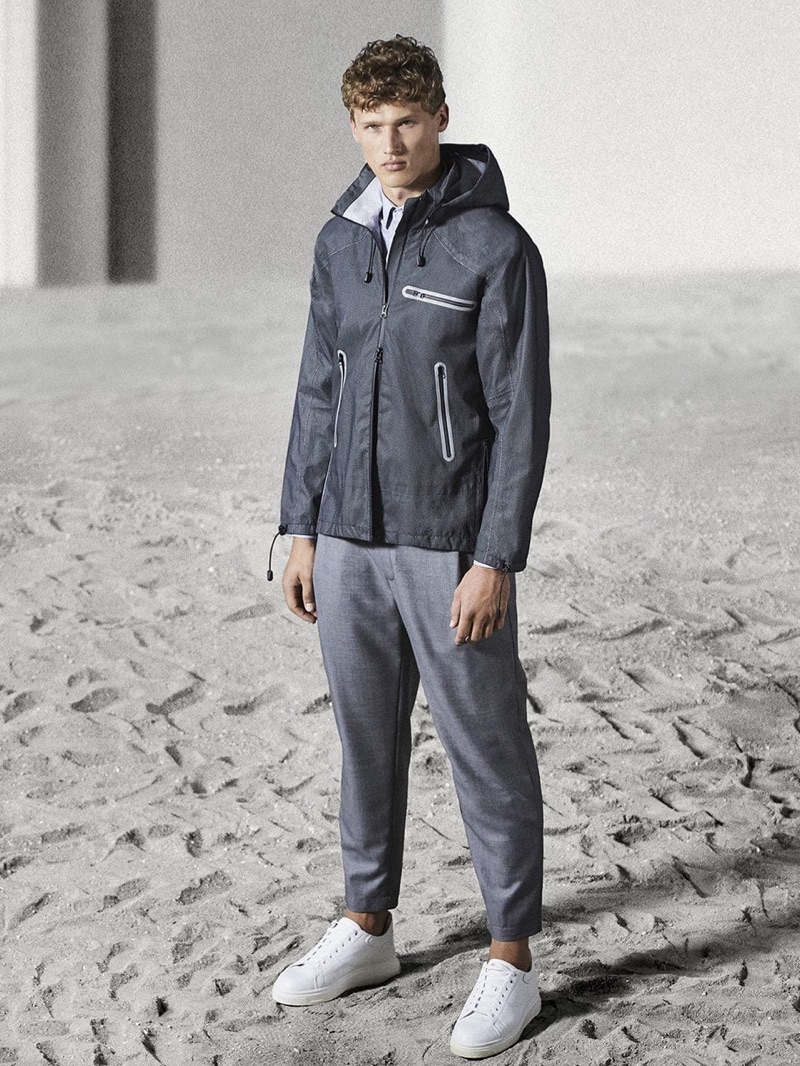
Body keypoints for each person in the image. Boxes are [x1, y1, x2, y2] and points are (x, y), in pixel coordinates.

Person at [270, 34, 550, 1060]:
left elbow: (520, 416)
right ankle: (367, 925)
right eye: (371, 125)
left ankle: (511, 959)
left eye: (407, 123)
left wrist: (494, 555)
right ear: (354, 127)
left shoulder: (494, 247)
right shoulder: (339, 242)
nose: (390, 143)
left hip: (448, 545)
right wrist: (299, 525)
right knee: (364, 738)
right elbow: (318, 389)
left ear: (439, 120)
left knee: (486, 747)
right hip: (347, 536)